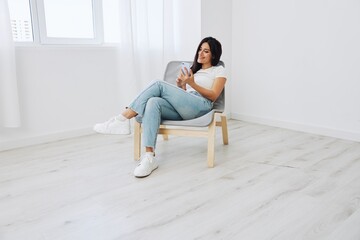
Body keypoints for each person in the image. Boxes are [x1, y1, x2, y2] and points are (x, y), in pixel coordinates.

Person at [93, 36, 227, 178]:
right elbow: (185, 96)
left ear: (214, 54)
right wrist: (182, 85)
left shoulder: (218, 70)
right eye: (200, 49)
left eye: (206, 51)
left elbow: (213, 96)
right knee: (153, 102)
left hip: (202, 106)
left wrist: (192, 83)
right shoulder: (194, 71)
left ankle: (122, 119)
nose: (200, 53)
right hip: (187, 106)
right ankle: (149, 157)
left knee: (158, 84)